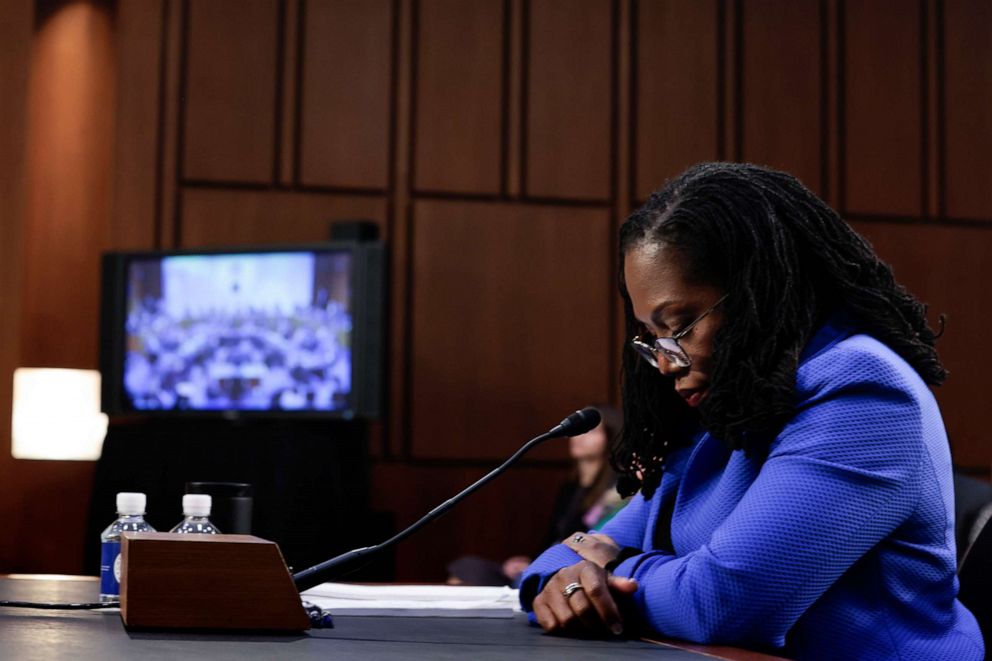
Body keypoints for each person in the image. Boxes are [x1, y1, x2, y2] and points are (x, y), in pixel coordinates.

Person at [518, 163, 984, 659]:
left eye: (679, 327)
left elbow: (723, 603)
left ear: (760, 292)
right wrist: (568, 580)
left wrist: (613, 571)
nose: (664, 363)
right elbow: (570, 554)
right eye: (651, 337)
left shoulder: (863, 391)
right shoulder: (729, 405)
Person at [447, 406, 627, 587]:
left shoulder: (617, 489)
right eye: (579, 431)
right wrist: (531, 561)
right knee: (465, 569)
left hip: (573, 570)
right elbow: (552, 537)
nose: (579, 437)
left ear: (611, 437)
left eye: (591, 432)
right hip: (545, 563)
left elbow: (593, 542)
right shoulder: (570, 488)